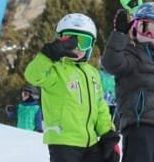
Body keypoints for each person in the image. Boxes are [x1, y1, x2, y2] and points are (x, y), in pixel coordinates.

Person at [25, 13, 118, 162]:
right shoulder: (55, 70)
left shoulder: (92, 73)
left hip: (91, 142)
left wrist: (108, 134)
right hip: (63, 141)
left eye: (84, 42)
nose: (77, 48)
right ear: (59, 40)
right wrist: (48, 54)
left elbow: (100, 106)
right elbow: (32, 75)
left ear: (91, 46)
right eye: (71, 41)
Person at [102, 1, 154, 162]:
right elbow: (111, 63)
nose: (150, 34)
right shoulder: (131, 54)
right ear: (135, 27)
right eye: (144, 27)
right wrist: (119, 34)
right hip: (139, 125)